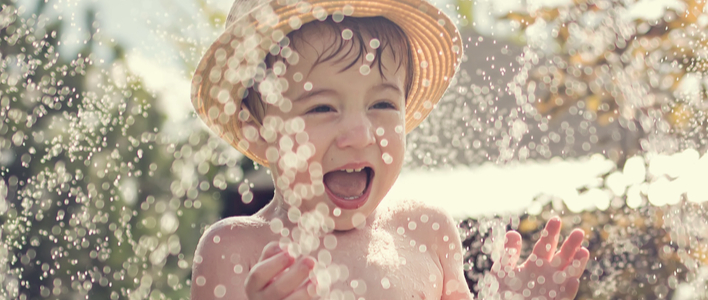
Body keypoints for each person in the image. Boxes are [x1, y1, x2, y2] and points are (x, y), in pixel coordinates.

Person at [188, 0, 591, 299]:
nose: (360, 134)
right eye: (322, 107)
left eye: (381, 104)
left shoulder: (427, 231)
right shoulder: (236, 250)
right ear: (259, 132)